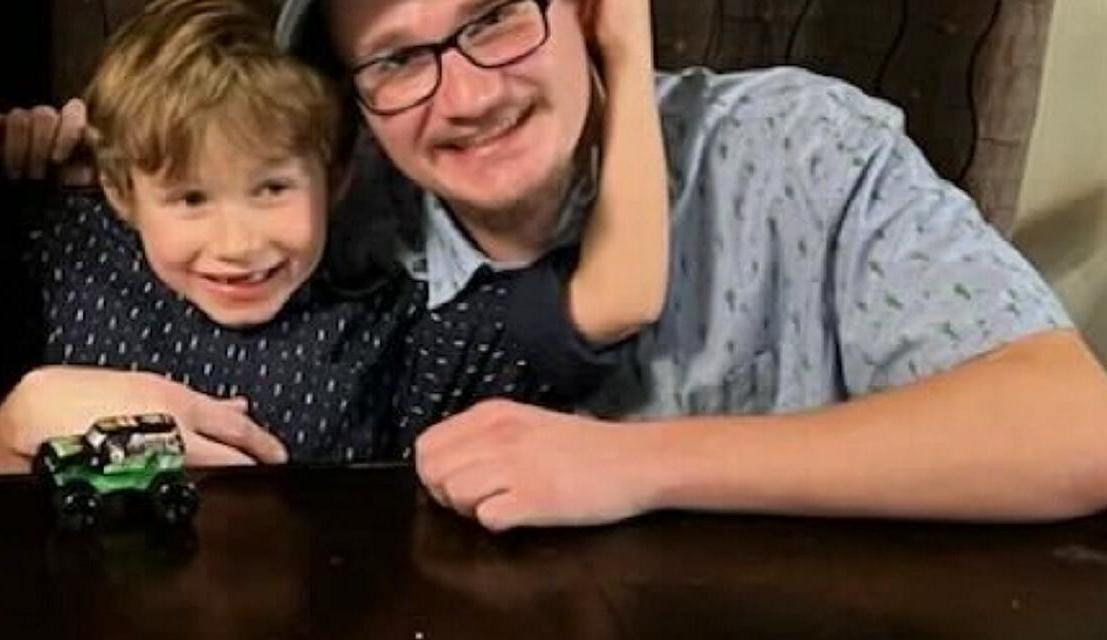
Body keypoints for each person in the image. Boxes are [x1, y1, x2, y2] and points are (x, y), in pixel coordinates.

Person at [274, 0, 1107, 530]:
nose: (469, 97)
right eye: (396, 60)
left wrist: (635, 463)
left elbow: (1075, 429)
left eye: (495, 17)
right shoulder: (315, 226)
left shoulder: (798, 150)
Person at [0, 0, 669, 469]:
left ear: (336, 176)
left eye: (273, 189)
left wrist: (622, 51)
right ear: (123, 193)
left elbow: (621, 298)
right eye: (190, 199)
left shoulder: (387, 327)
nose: (237, 244)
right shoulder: (67, 253)